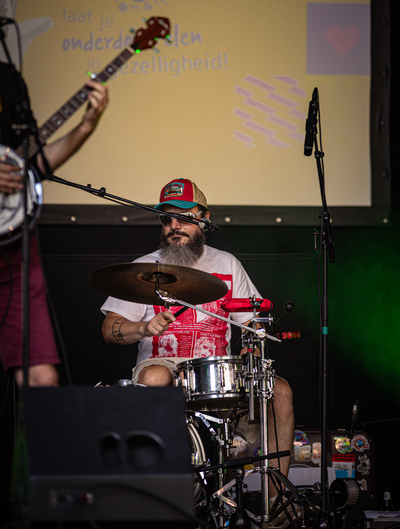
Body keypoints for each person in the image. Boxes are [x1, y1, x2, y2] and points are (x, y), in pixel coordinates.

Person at [101, 178, 295, 495]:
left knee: (281, 391)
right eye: (166, 218)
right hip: (162, 364)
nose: (174, 225)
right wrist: (142, 329)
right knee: (153, 377)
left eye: (184, 217)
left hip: (217, 372)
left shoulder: (227, 263)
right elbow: (110, 328)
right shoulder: (143, 267)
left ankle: (275, 503)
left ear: (204, 218)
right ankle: (156, 493)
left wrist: (253, 352)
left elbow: (254, 322)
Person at [0, 79, 109, 387]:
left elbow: (33, 164)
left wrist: (86, 126)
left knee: (41, 377)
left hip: (13, 247)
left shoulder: (8, 77)